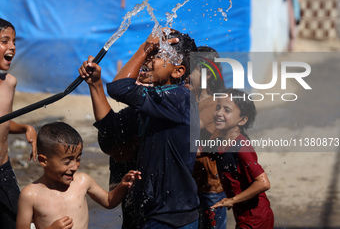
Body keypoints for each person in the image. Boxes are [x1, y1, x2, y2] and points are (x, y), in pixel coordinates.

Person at [79, 28, 200, 228]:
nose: (147, 60)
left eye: (157, 55)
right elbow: (111, 133)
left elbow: (120, 87)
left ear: (178, 71)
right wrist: (95, 85)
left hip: (171, 217)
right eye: (150, 54)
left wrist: (144, 48)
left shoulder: (178, 99)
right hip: (150, 210)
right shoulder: (155, 104)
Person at [16, 121, 141, 229]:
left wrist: (122, 186)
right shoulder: (30, 195)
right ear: (43, 161)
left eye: (78, 159)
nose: (75, 167)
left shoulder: (83, 181)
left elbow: (109, 201)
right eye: (67, 161)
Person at [210, 89, 274, 228]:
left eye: (227, 110)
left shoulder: (242, 147)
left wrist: (231, 200)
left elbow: (263, 183)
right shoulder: (219, 143)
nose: (219, 113)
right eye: (218, 107)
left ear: (242, 120)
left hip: (256, 219)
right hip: (244, 217)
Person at [0, 18, 37, 228]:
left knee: (16, 221)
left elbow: (4, 122)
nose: (12, 47)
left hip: (3, 171)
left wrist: (25, 128)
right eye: (5, 41)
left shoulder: (10, 83)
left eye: (14, 41)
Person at [190, 46, 227, 229]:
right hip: (194, 182)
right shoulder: (194, 99)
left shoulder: (214, 103)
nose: (186, 74)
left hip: (211, 186)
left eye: (192, 70)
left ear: (208, 75)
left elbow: (191, 127)